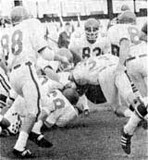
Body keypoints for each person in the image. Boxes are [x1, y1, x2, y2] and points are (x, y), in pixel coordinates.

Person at [0, 6, 69, 158]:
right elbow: (46, 54)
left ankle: (35, 131)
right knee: (34, 111)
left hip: (14, 75)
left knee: (48, 104)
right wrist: (62, 58)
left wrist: (9, 70)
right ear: (26, 18)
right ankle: (20, 146)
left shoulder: (4, 32)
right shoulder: (29, 27)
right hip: (26, 71)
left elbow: (1, 60)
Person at [120, 22, 148, 154]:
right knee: (147, 100)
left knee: (146, 101)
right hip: (141, 61)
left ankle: (128, 130)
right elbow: (142, 36)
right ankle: (127, 130)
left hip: (138, 61)